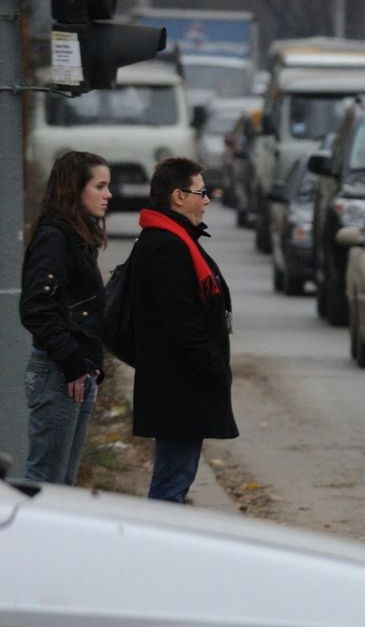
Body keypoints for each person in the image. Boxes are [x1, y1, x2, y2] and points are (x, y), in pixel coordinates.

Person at [125, 158, 237, 503]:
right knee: (171, 485)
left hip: (180, 386)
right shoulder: (166, 245)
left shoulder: (174, 239)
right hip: (177, 388)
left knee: (176, 478)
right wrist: (214, 366)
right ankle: (155, 554)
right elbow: (180, 322)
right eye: (201, 192)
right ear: (178, 196)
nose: (206, 200)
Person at [18, 151, 111, 484]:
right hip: (58, 370)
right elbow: (36, 306)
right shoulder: (54, 237)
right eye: (100, 186)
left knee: (62, 486)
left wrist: (89, 363)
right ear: (75, 189)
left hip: (76, 370)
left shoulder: (77, 237)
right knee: (46, 484)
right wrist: (72, 360)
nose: (108, 195)